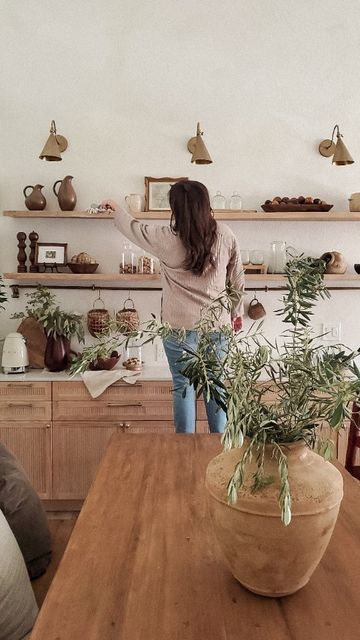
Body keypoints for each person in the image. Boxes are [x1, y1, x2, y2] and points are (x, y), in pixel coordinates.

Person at [102, 180, 244, 434]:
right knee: (216, 384)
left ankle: (184, 448)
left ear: (175, 208)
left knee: (183, 386)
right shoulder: (225, 234)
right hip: (217, 327)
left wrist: (115, 208)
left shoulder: (165, 238)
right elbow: (237, 279)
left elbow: (134, 228)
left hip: (178, 328)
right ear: (206, 204)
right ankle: (219, 446)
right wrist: (237, 312)